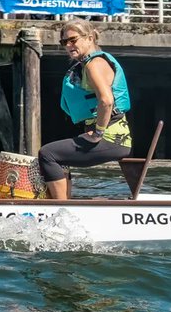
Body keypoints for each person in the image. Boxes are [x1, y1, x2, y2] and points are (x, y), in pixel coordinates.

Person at [38, 21, 132, 199]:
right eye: (64, 42)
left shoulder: (94, 64)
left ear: (89, 38)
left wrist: (98, 133)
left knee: (47, 154)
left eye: (73, 40)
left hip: (112, 139)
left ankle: (60, 208)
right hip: (115, 138)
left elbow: (106, 100)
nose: (68, 45)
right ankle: (64, 203)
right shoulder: (90, 63)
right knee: (59, 156)